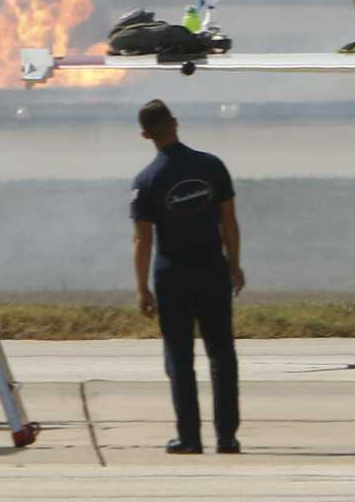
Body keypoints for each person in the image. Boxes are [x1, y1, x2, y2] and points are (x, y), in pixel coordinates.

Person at [132, 99, 243, 454]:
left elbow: (142, 237)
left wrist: (141, 288)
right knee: (221, 352)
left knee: (179, 356)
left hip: (172, 273)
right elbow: (228, 220)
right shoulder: (212, 166)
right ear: (175, 123)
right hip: (212, 267)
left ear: (145, 134)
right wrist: (235, 263)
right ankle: (227, 436)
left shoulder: (147, 179)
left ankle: (190, 438)